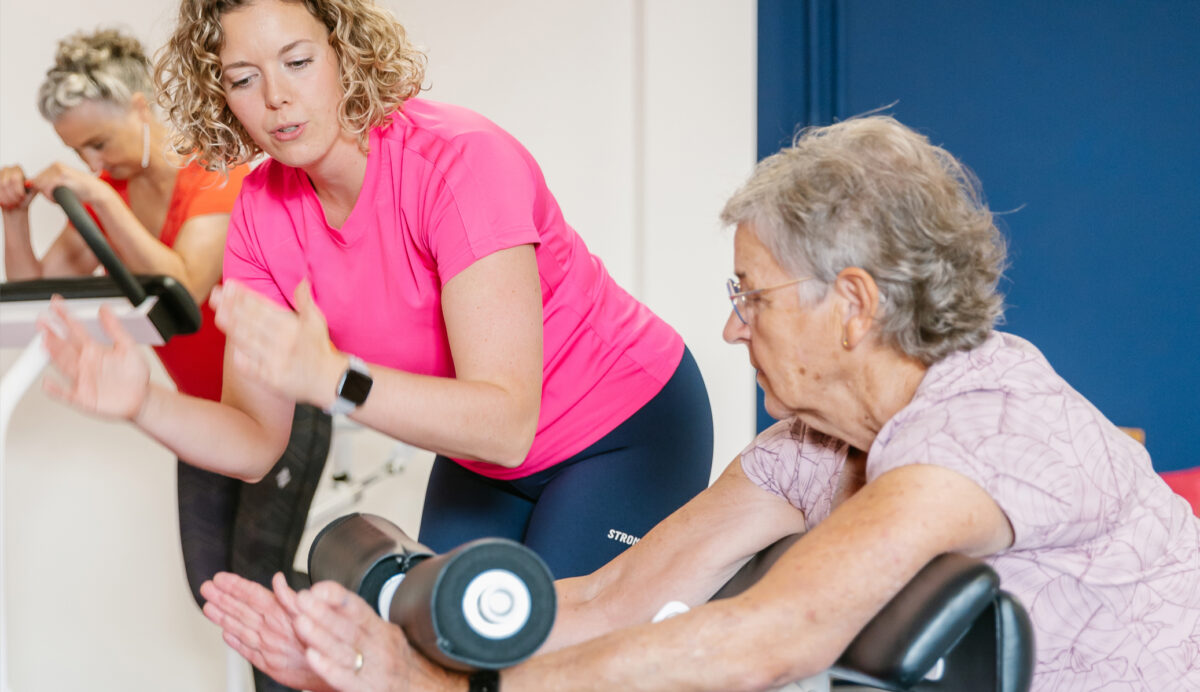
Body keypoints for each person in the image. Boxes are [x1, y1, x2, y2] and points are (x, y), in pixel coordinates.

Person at [200, 115, 1200, 692]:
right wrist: (385, 632)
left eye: (749, 297)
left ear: (850, 304)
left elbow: (774, 631)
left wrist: (436, 688)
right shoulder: (812, 440)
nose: (731, 328)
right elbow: (609, 596)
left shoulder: (982, 423)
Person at [42, 0, 711, 592]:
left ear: (344, 50)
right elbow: (254, 444)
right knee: (432, 647)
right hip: (484, 460)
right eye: (243, 79)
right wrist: (143, 402)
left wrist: (334, 378)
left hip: (624, 430)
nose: (275, 97)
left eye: (297, 61)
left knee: (548, 659)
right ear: (221, 97)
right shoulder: (260, 212)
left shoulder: (459, 162)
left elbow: (508, 424)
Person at [1, 28, 332, 692]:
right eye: (77, 152)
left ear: (140, 109)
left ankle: (352, 650)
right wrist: (11, 215)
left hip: (281, 406)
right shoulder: (113, 193)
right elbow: (37, 292)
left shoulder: (214, 170)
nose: (93, 162)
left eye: (98, 143)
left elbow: (185, 280)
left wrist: (98, 200)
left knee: (261, 581)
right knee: (212, 587)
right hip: (201, 416)